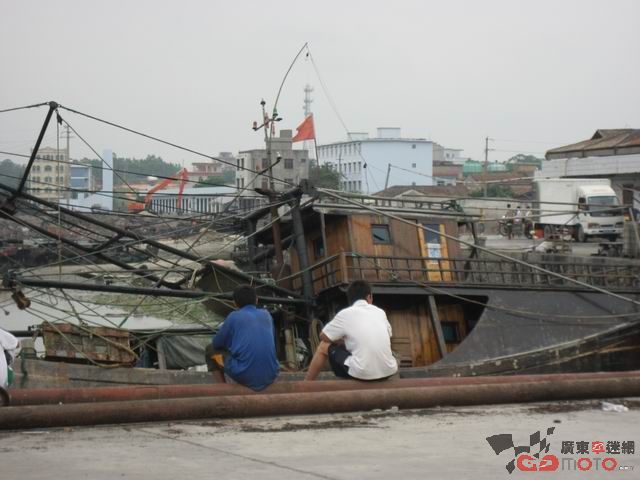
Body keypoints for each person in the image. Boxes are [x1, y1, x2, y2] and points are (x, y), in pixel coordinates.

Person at [304, 280, 398, 381]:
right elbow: (388, 335)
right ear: (369, 296)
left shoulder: (345, 314)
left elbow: (323, 336)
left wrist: (342, 341)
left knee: (323, 346)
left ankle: (306, 384)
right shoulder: (380, 312)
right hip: (389, 371)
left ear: (350, 299)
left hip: (363, 373)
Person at [205, 285, 279, 391]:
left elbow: (217, 344)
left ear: (235, 303)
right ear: (256, 300)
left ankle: (222, 390)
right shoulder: (267, 315)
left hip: (244, 374)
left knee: (210, 350)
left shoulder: (233, 316)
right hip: (272, 373)